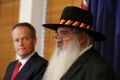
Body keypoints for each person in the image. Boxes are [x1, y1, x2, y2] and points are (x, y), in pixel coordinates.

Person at [42, 6, 116, 80]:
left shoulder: (100, 70)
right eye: (58, 34)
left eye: (64, 34)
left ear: (81, 38)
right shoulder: (64, 61)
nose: (58, 40)